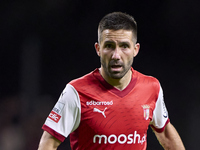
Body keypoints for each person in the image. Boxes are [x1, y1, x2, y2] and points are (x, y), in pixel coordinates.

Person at [38, 12, 185, 150]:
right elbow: (48, 143)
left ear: (136, 49)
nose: (116, 55)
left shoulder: (152, 87)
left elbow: (165, 133)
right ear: (98, 49)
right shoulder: (76, 91)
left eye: (124, 46)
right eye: (109, 46)